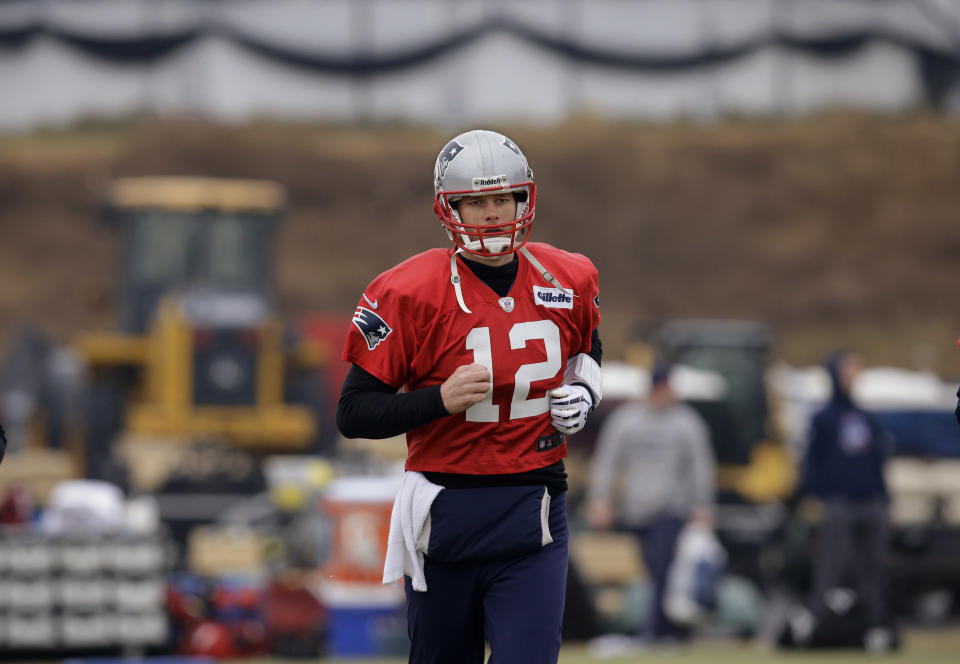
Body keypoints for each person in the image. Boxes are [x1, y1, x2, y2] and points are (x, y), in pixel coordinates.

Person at [336, 129, 602, 663]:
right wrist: (439, 399)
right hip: (445, 513)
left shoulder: (568, 276)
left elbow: (588, 346)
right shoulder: (407, 291)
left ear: (524, 198)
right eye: (475, 201)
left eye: (501, 198)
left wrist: (586, 391)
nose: (490, 213)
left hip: (534, 510)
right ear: (448, 208)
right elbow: (353, 412)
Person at [586, 363, 715, 643]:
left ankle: (657, 632)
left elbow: (700, 466)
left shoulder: (687, 423)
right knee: (637, 574)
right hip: (633, 510)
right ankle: (636, 626)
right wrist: (600, 499)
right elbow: (606, 462)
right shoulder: (626, 421)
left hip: (670, 510)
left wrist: (702, 505)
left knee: (663, 570)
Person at [798, 350, 894, 651]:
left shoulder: (867, 417)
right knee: (831, 565)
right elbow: (813, 463)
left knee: (873, 568)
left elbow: (877, 462)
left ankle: (875, 627)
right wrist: (814, 496)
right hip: (839, 502)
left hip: (870, 502)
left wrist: (885, 499)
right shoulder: (824, 419)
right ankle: (816, 626)